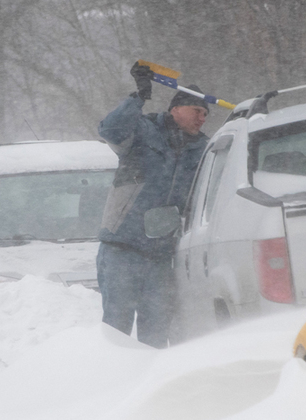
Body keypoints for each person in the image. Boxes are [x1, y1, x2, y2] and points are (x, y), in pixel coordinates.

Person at [96, 62, 209, 348]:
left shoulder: (204, 150)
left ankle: (151, 387)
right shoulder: (143, 132)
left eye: (206, 114)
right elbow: (109, 129)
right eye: (197, 111)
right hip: (122, 248)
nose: (202, 119)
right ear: (177, 109)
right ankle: (113, 387)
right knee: (116, 334)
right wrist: (139, 96)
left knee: (156, 336)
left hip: (161, 257)